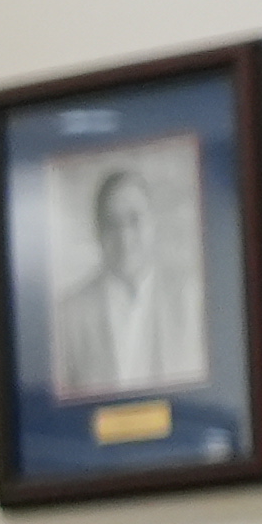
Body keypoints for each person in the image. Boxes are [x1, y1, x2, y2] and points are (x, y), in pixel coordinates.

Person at [53, 158, 196, 396]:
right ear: (98, 232)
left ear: (153, 222)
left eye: (134, 219)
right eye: (112, 223)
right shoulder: (69, 315)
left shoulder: (189, 300)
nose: (124, 237)